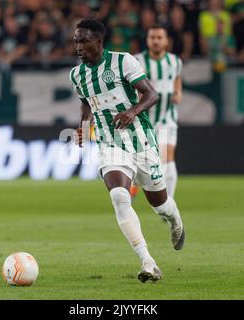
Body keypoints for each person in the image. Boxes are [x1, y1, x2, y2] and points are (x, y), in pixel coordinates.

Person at [70, 19, 185, 283]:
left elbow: (151, 94)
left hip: (141, 141)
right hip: (110, 144)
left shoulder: (123, 62)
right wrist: (83, 127)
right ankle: (148, 261)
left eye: (83, 40)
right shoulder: (76, 75)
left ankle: (176, 220)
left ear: (98, 41)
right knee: (120, 197)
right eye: (75, 40)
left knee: (160, 205)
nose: (78, 46)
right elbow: (86, 102)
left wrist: (132, 111)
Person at [132, 25, 183, 200]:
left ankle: (169, 200)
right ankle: (133, 187)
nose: (155, 41)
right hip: (144, 118)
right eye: (152, 37)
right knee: (143, 160)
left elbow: (177, 79)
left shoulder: (174, 61)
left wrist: (178, 92)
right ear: (147, 40)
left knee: (167, 156)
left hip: (167, 117)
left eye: (159, 38)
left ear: (166, 41)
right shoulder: (137, 61)